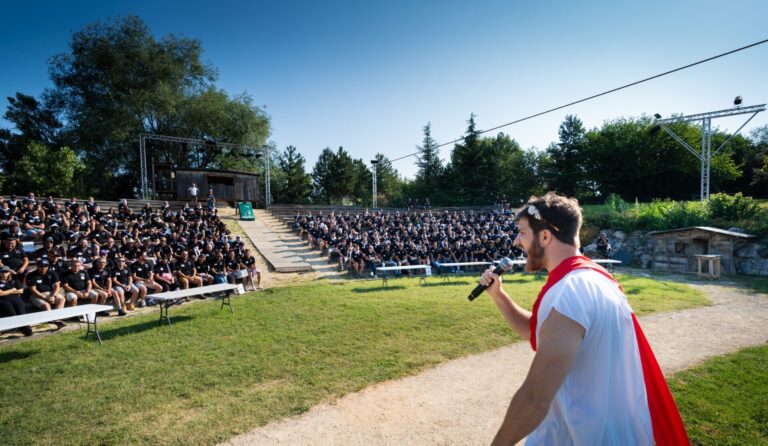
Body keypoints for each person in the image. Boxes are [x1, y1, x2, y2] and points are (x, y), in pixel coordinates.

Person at [478, 192, 688, 445]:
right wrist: (499, 296)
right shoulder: (592, 277)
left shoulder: (571, 290)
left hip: (587, 434)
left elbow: (535, 398)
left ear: (545, 236)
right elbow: (536, 331)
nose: (516, 241)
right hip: (587, 427)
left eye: (522, 232)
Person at [0, 265, 34, 335]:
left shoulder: (15, 281)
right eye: (2, 272)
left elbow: (21, 291)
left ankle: (26, 327)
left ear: (9, 272)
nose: (4, 273)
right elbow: (1, 294)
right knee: (13, 314)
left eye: (6, 272)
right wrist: (12, 289)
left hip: (15, 298)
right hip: (3, 300)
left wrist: (6, 292)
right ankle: (23, 329)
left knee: (22, 313)